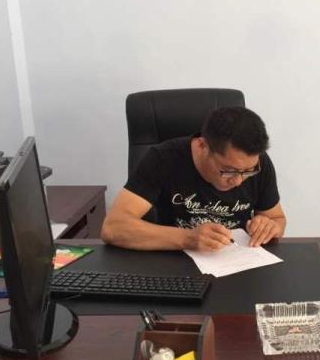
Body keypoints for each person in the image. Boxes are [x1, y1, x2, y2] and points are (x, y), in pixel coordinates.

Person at [101, 106, 286, 251]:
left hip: (238, 260)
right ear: (202, 146)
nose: (238, 181)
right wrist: (188, 238)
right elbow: (113, 227)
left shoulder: (259, 163)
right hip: (175, 261)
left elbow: (276, 218)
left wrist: (270, 226)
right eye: (229, 171)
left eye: (248, 171)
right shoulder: (163, 158)